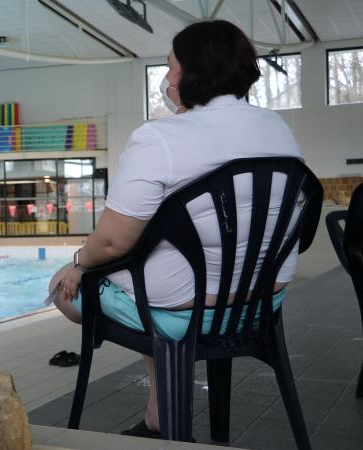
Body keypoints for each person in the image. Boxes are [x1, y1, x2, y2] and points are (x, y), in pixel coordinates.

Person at [48, 20, 301, 438]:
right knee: (152, 272)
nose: (167, 78)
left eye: (170, 67)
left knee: (66, 287)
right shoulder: (279, 129)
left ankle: (161, 414)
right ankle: (158, 414)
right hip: (260, 303)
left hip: (185, 313)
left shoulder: (160, 138)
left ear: (189, 71)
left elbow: (111, 241)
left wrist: (77, 262)